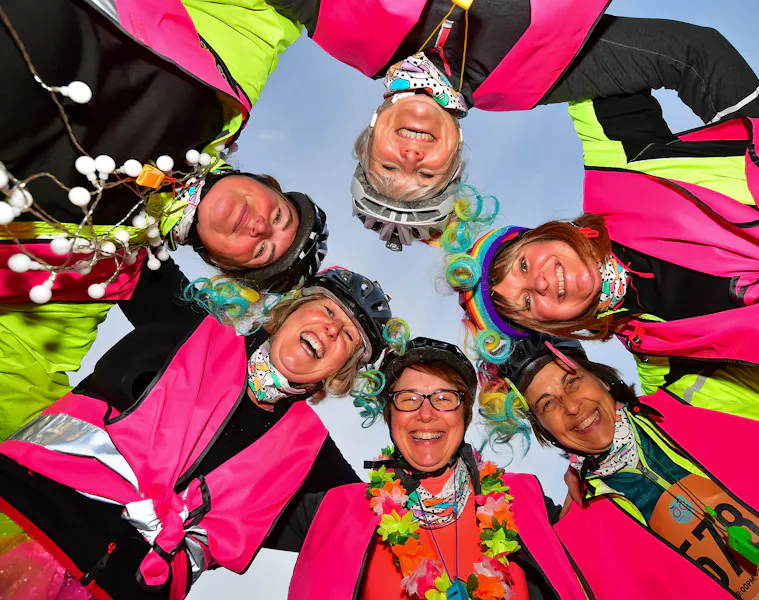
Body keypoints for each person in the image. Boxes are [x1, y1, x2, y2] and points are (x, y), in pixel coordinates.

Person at [0, 0, 325, 440]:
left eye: (264, 250)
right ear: (264, 182)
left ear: (224, 264)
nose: (262, 226)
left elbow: (20, 381)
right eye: (281, 215)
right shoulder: (234, 67)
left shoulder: (99, 272)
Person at [0, 267, 392, 599]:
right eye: (326, 309)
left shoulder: (311, 449)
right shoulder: (191, 324)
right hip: (23, 514)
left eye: (349, 336)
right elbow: (134, 243)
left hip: (123, 587)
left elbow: (384, 525)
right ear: (288, 312)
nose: (331, 328)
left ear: (342, 372)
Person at [266, 0, 759, 249]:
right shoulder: (532, 79)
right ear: (456, 153)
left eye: (386, 168)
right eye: (425, 178)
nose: (410, 161)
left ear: (372, 131)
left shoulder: (336, 21)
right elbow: (693, 55)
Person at [449, 109, 759, 370]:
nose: (538, 283)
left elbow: (568, 44)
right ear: (549, 324)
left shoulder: (618, 170)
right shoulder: (657, 351)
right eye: (525, 303)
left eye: (523, 264)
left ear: (540, 236)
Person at [482, 334, 759, 599]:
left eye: (573, 380)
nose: (572, 406)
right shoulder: (579, 535)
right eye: (547, 404)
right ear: (543, 428)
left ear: (600, 378)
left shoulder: (705, 395)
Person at [274, 336, 588, 600]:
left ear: (464, 415)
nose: (427, 414)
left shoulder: (525, 500)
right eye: (409, 399)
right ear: (390, 416)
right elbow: (232, 499)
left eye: (444, 398)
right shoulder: (336, 510)